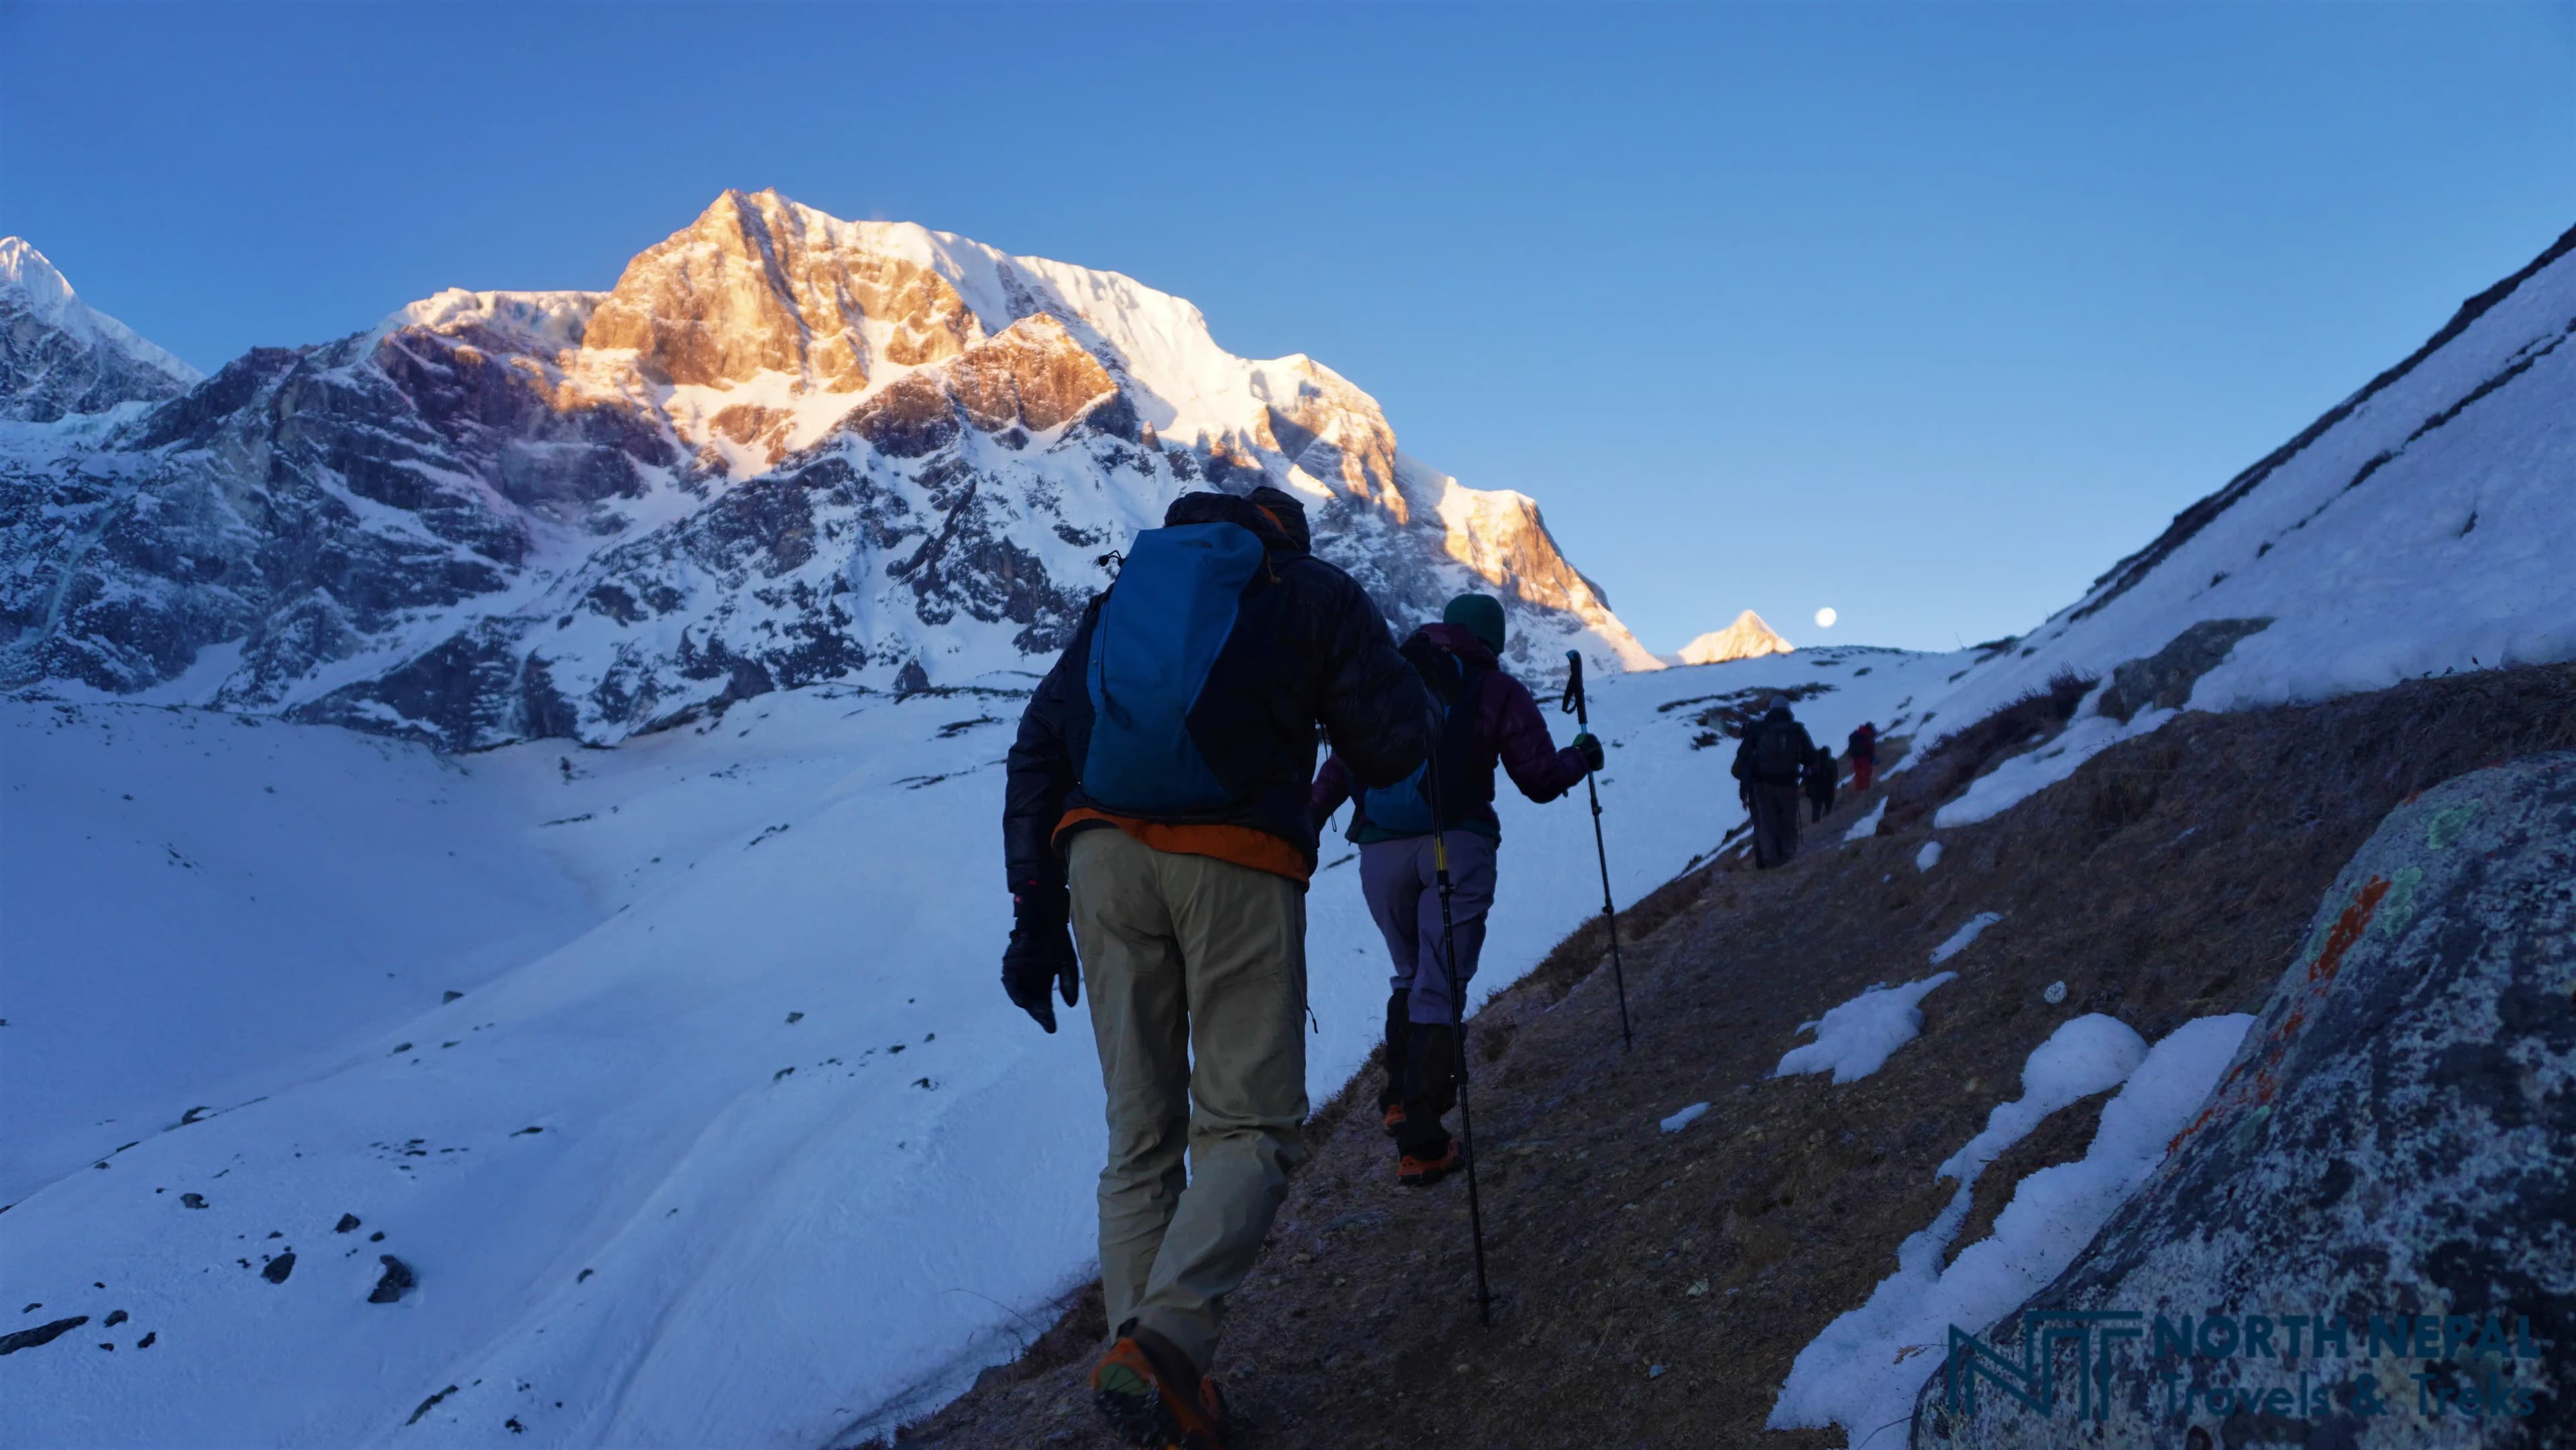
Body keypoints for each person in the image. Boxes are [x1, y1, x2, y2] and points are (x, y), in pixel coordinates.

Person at [1002, 485, 1430, 1450]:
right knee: (1249, 1125)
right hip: (1234, 860)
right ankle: (1163, 1349)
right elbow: (1395, 743)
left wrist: (1034, 912)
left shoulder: (1124, 598)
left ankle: (1157, 1390)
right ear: (1287, 541)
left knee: (1140, 1138)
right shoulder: (1311, 587)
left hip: (1100, 859)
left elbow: (1038, 747)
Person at [1309, 592, 1603, 1187]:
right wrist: (1581, 756)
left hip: (1380, 850)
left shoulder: (1391, 673)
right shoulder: (1497, 688)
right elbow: (1539, 779)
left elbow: (1341, 765)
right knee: (1440, 985)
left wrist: (1304, 824)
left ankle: (1398, 1098)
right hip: (1457, 842)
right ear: (1492, 639)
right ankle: (1424, 1143)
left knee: (1408, 973)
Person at [1731, 695, 1815, 868]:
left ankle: (1770, 861)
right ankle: (1789, 856)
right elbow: (1811, 757)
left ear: (1771, 710)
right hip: (1789, 784)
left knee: (1767, 824)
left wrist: (1748, 784)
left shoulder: (1758, 729)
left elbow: (1742, 757)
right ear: (1788, 710)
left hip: (1763, 785)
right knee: (1788, 821)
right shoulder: (1797, 730)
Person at [1805, 742, 1837, 823]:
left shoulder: (1812, 763)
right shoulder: (1831, 762)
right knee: (1828, 808)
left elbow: (1806, 777)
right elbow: (1835, 777)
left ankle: (1816, 825)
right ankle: (1827, 822)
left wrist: (1808, 790)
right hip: (1828, 790)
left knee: (1816, 810)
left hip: (1815, 791)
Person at [1847, 721, 1879, 793]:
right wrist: (1872, 758)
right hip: (1864, 758)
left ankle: (1859, 788)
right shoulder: (1867, 735)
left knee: (1858, 772)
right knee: (1867, 771)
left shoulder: (1858, 733)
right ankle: (1865, 788)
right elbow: (1870, 748)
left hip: (1855, 757)